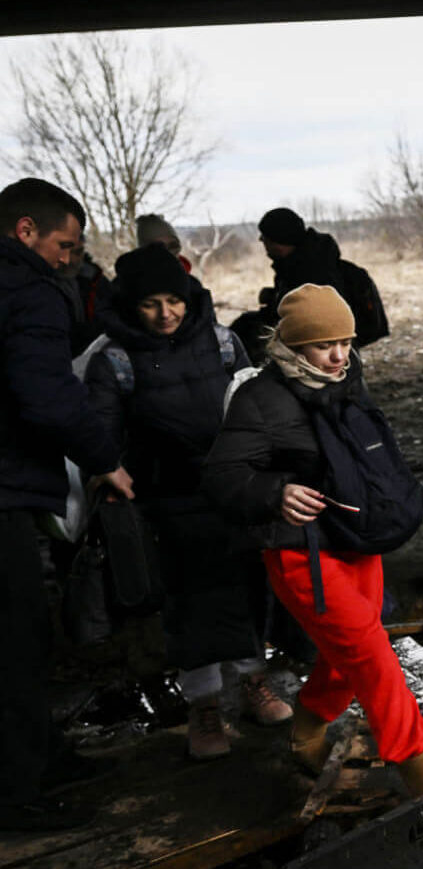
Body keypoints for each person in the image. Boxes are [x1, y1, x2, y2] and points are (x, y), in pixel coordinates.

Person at [201, 284, 423, 797]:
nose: (338, 355)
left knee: (347, 653)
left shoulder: (346, 378)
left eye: (345, 341)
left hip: (355, 539)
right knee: (374, 656)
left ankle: (306, 730)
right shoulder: (259, 397)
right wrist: (275, 490)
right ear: (293, 346)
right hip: (300, 552)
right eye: (323, 345)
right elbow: (222, 477)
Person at [84, 245, 292, 760]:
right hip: (165, 502)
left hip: (232, 491)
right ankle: (204, 707)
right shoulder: (113, 360)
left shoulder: (223, 344)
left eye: (173, 300)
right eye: (150, 303)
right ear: (132, 305)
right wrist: (111, 477)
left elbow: (253, 405)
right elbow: (101, 434)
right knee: (188, 602)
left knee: (247, 588)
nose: (165, 313)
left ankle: (253, 683)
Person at [0, 177, 134, 832]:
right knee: (16, 640)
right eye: (64, 243)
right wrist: (106, 458)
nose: (69, 258)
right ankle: (19, 791)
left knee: (24, 635)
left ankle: (42, 758)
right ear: (26, 231)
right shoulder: (27, 291)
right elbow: (48, 396)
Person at [229, 208, 387, 362]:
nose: (262, 241)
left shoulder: (309, 271)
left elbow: (313, 320)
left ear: (278, 241)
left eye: (265, 237)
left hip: (322, 352)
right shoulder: (299, 263)